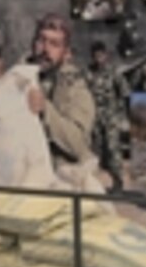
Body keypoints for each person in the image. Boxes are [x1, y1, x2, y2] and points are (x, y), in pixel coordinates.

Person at [28, 13, 97, 167]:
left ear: (66, 53)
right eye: (41, 40)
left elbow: (79, 145)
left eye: (54, 44)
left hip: (61, 175)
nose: (45, 49)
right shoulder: (18, 79)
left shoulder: (75, 88)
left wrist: (45, 110)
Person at [86, 41, 130, 190]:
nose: (98, 58)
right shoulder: (88, 73)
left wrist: (122, 114)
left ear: (105, 55)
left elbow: (125, 93)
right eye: (95, 55)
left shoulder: (113, 73)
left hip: (111, 118)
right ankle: (95, 184)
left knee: (113, 150)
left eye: (101, 54)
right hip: (94, 118)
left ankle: (118, 182)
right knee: (95, 151)